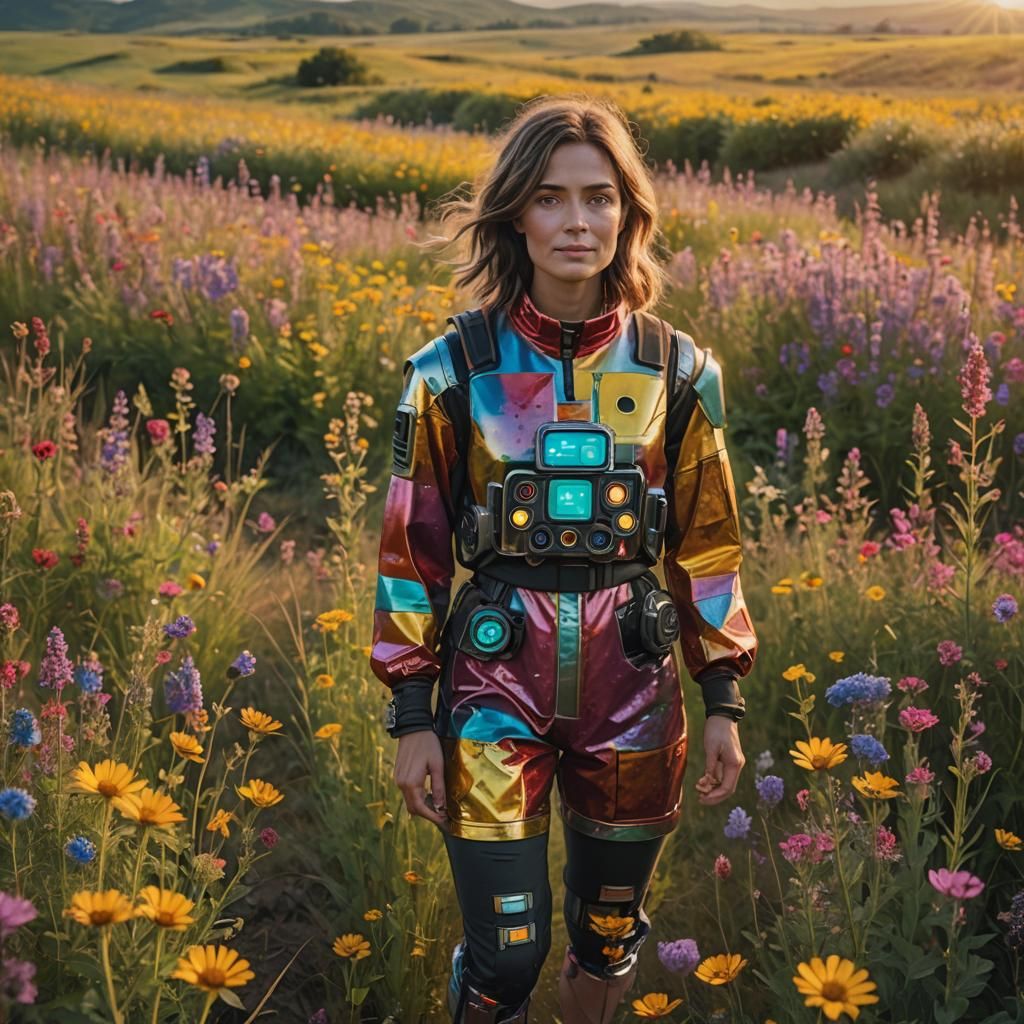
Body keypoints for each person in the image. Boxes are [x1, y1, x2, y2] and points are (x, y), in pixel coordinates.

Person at [369, 95, 758, 1023]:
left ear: (628, 213)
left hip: (635, 686)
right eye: (549, 198)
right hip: (490, 686)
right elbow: (411, 550)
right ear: (515, 213)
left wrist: (723, 697)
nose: (576, 222)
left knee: (610, 935)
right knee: (506, 954)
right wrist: (412, 714)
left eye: (598, 197)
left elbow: (706, 544)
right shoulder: (450, 370)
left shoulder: (678, 370)